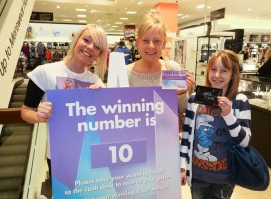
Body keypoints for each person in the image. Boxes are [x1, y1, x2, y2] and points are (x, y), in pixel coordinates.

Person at [20, 24, 108, 184]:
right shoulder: (45, 72)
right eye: (86, 40)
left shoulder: (95, 81)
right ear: (76, 39)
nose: (90, 47)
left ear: (99, 54)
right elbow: (26, 111)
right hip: (60, 156)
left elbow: (101, 121)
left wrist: (103, 97)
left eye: (97, 46)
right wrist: (39, 115)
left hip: (89, 154)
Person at [180, 50, 252, 199]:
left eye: (224, 71)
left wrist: (228, 115)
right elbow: (187, 135)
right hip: (198, 174)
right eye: (213, 69)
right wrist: (181, 165)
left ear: (233, 74)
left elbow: (245, 142)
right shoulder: (195, 99)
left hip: (224, 178)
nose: (217, 75)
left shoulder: (240, 101)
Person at [126, 13, 195, 130]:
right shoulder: (125, 73)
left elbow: (184, 110)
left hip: (166, 139)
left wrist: (181, 93)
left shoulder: (172, 69)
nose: (151, 46)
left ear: (163, 44)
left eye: (157, 41)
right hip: (136, 140)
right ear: (138, 43)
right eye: (145, 41)